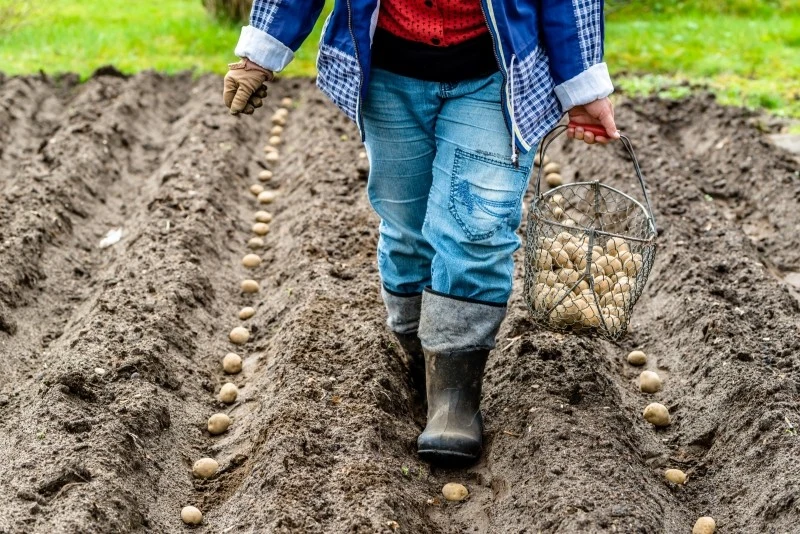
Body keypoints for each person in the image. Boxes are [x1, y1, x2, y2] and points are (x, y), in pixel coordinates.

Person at [223, 0, 619, 466]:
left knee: (477, 227)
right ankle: (419, 359)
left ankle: (454, 396)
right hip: (390, 72)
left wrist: (584, 82)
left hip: (497, 73)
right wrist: (259, 54)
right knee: (408, 228)